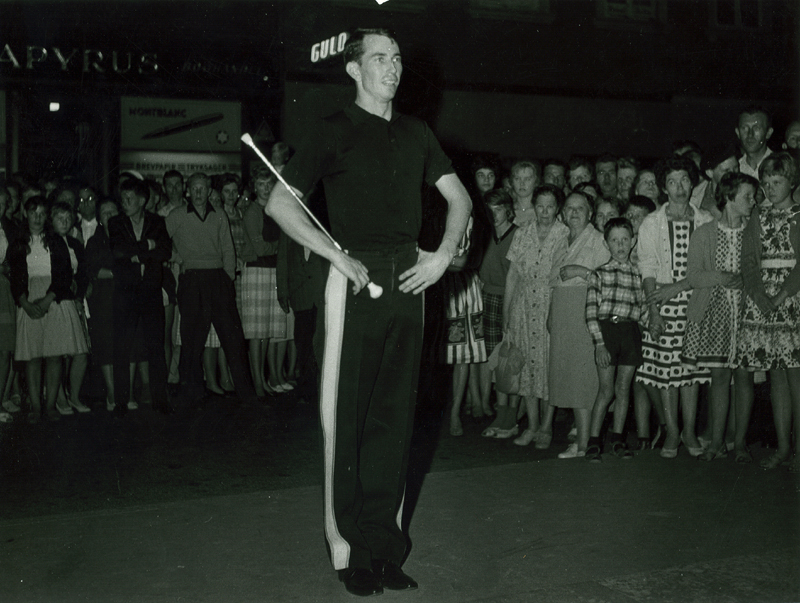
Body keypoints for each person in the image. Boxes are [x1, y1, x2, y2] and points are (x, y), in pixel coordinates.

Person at [266, 28, 471, 597]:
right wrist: (335, 254)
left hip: (410, 279)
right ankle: (349, 549)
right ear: (354, 70)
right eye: (380, 58)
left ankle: (385, 547)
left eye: (398, 58)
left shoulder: (416, 132)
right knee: (347, 420)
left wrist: (443, 255)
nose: (393, 67)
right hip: (352, 282)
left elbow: (460, 198)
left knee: (395, 421)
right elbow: (279, 200)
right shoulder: (332, 130)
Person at [635, 157, 714, 458]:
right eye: (672, 181)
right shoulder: (652, 222)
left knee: (690, 372)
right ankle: (670, 430)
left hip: (697, 304)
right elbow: (648, 266)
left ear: (692, 182)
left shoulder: (705, 220)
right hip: (663, 304)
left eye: (684, 180)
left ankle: (690, 430)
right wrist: (654, 311)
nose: (679, 187)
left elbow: (708, 267)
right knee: (667, 374)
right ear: (663, 187)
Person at [682, 172, 758, 462]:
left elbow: (760, 271)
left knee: (745, 377)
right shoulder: (704, 233)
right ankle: (715, 443)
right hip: (715, 315)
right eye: (747, 197)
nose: (752, 202)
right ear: (729, 198)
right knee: (719, 378)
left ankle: (738, 443)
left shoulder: (754, 231)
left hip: (747, 314)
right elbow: (693, 276)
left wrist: (746, 280)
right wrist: (721, 277)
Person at [165, 172, 258, 408]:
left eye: (202, 189)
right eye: (193, 188)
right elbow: (161, 243)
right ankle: (192, 392)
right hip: (191, 280)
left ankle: (246, 394)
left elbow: (228, 248)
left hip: (218, 279)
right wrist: (178, 258)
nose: (198, 193)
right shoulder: (176, 216)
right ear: (188, 191)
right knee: (191, 339)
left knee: (233, 338)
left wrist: (226, 277)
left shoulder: (219, 216)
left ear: (209, 192)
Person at [738, 152, 800, 471]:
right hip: (762, 303)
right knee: (776, 380)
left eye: (777, 182)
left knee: (795, 379)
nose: (771, 188)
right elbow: (748, 261)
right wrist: (759, 294)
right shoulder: (756, 218)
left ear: (792, 182)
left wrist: (781, 297)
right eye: (766, 183)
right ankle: (783, 447)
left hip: (792, 303)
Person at [493, 185, 568, 445]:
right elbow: (512, 275)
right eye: (540, 206)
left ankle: (546, 427)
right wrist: (507, 315)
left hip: (550, 305)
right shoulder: (523, 233)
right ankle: (532, 426)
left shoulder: (564, 234)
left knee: (549, 368)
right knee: (525, 366)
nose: (545, 211)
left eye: (550, 206)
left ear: (557, 208)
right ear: (533, 206)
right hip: (523, 308)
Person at [9, 198, 89, 422]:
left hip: (54, 297)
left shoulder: (56, 241)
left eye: (42, 213)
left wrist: (47, 300)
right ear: (25, 213)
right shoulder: (18, 242)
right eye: (33, 212)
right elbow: (15, 276)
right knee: (33, 357)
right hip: (28, 296)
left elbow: (64, 274)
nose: (37, 217)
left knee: (54, 355)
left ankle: (51, 405)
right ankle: (36, 407)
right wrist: (25, 303)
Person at [545, 191, 610, 458]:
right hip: (562, 310)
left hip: (584, 309)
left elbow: (610, 278)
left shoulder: (597, 240)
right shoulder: (561, 239)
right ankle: (581, 441)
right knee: (569, 378)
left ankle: (584, 443)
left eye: (580, 208)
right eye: (569, 208)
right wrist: (551, 311)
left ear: (590, 213)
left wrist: (580, 272)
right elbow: (554, 279)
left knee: (583, 379)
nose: (574, 213)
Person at [109, 178, 172, 415]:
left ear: (143, 200)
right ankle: (121, 402)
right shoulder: (116, 222)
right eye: (122, 199)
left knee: (156, 347)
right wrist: (147, 245)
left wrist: (137, 253)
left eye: (129, 199)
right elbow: (118, 251)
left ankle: (160, 400)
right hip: (125, 293)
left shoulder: (158, 222)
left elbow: (165, 251)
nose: (125, 203)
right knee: (122, 348)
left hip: (150, 292)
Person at [584, 217, 645, 462]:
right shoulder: (599, 275)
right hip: (607, 333)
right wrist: (599, 343)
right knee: (606, 390)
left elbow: (642, 309)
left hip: (629, 334)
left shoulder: (639, 275)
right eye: (614, 240)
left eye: (625, 240)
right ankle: (594, 440)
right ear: (606, 243)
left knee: (623, 389)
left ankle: (618, 439)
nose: (620, 245)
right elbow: (590, 313)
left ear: (633, 242)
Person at [476, 189, 516, 432]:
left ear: (508, 209)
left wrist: (510, 312)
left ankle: (511, 414)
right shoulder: (486, 234)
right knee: (494, 359)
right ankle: (500, 413)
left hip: (510, 301)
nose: (494, 214)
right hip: (487, 299)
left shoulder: (517, 235)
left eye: (499, 209)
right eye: (490, 210)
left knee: (510, 359)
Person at [736, 105, 773, 179]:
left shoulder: (781, 166)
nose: (750, 134)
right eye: (744, 128)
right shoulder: (735, 169)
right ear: (738, 133)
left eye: (756, 128)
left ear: (768, 133)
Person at [509, 160, 540, 226]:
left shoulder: (541, 211)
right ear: (512, 182)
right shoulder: (507, 210)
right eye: (517, 179)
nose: (522, 183)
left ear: (535, 182)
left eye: (527, 179)